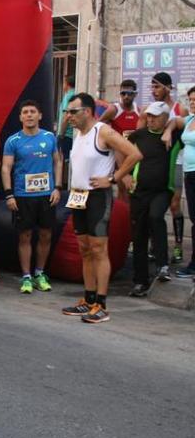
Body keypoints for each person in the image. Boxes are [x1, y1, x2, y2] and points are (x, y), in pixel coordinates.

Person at [61, 93, 142, 323]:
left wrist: (114, 178)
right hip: (78, 196)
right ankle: (88, 298)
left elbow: (135, 154)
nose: (69, 117)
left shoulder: (103, 131)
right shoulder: (79, 133)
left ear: (87, 111)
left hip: (97, 196)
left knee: (98, 249)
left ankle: (102, 304)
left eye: (73, 112)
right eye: (67, 112)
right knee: (84, 248)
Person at [2, 100, 63, 294]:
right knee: (25, 236)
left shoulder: (49, 137)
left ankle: (39, 272)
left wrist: (58, 187)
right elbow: (6, 168)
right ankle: (26, 276)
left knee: (46, 234)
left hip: (47, 195)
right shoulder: (13, 141)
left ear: (40, 115)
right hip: (22, 195)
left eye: (32, 112)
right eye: (25, 112)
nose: (29, 115)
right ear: (20, 117)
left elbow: (58, 162)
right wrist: (9, 194)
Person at [127, 102, 178, 296]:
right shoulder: (139, 135)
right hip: (139, 192)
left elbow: (180, 121)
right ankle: (140, 281)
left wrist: (170, 129)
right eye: (149, 116)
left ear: (165, 118)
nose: (150, 119)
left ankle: (162, 265)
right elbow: (120, 149)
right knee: (138, 235)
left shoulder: (173, 135)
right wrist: (124, 174)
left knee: (156, 217)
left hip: (162, 191)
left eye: (155, 116)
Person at [163, 85, 195, 278]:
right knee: (194, 218)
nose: (192, 103)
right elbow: (174, 121)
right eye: (190, 100)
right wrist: (168, 131)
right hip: (190, 174)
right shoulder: (190, 119)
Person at [56, 75, 76, 161]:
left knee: (63, 161)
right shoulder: (75, 93)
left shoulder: (68, 96)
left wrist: (61, 134)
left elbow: (66, 116)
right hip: (71, 134)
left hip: (66, 134)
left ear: (66, 84)